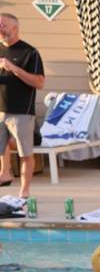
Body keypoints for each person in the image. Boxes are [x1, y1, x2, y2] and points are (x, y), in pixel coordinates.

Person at [0, 12, 45, 198]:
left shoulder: (29, 52)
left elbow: (39, 82)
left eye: (2, 24)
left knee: (25, 153)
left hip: (21, 112)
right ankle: (5, 174)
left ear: (14, 28)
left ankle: (24, 192)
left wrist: (13, 68)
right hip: (0, 110)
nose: (0, 28)